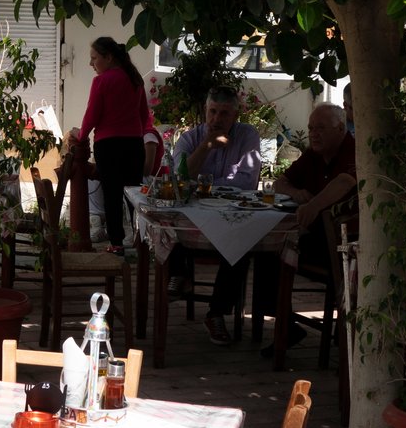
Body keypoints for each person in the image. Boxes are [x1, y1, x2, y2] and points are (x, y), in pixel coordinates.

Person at [169, 86, 264, 344]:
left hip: (231, 219)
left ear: (235, 115)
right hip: (193, 225)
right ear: (205, 111)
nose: (217, 119)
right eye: (212, 112)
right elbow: (179, 179)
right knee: (167, 220)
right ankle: (180, 275)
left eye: (224, 113)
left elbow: (247, 182)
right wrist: (206, 147)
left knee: (243, 242)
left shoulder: (248, 137)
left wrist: (204, 185)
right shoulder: (190, 138)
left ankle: (217, 313)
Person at [68, 37, 152, 254]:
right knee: (134, 195)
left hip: (109, 146)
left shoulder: (102, 81)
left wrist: (82, 135)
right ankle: (142, 243)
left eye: (94, 58)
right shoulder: (135, 80)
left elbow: (92, 115)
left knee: (112, 196)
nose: (91, 64)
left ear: (108, 57)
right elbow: (144, 117)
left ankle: (116, 244)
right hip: (134, 145)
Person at [275, 102, 357, 273]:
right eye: (311, 128)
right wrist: (296, 193)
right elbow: (279, 184)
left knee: (275, 250)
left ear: (340, 128)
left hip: (347, 243)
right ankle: (271, 301)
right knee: (269, 248)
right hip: (316, 235)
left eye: (320, 128)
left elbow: (345, 181)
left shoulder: (353, 149)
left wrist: (313, 206)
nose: (313, 134)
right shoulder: (313, 154)